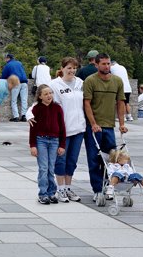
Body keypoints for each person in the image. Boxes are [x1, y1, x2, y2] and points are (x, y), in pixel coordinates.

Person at [82, 53, 128, 202]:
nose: (107, 66)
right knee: (94, 159)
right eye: (103, 64)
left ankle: (110, 186)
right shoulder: (90, 81)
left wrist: (121, 123)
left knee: (111, 159)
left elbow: (120, 103)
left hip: (109, 126)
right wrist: (93, 123)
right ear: (96, 65)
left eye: (108, 64)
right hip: (94, 127)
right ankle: (97, 189)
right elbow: (87, 103)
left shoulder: (117, 81)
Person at [48, 57, 86, 202]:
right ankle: (60, 189)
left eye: (74, 68)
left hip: (79, 128)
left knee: (72, 160)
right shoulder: (54, 85)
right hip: (62, 129)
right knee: (61, 160)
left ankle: (68, 187)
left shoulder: (81, 83)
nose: (71, 70)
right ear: (62, 68)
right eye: (69, 68)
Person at [29, 84, 66, 204]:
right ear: (40, 96)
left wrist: (62, 145)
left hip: (54, 140)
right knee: (43, 168)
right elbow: (33, 128)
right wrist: (33, 145)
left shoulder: (57, 108)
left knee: (51, 168)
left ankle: (51, 193)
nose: (49, 95)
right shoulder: (36, 109)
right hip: (41, 140)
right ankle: (43, 193)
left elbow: (62, 127)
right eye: (46, 94)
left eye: (50, 93)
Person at [1, 53, 29, 120]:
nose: (5, 60)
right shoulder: (19, 63)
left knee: (14, 100)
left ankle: (16, 116)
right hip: (24, 82)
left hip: (16, 83)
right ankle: (24, 116)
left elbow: (4, 76)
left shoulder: (8, 65)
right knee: (24, 100)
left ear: (8, 58)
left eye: (5, 58)